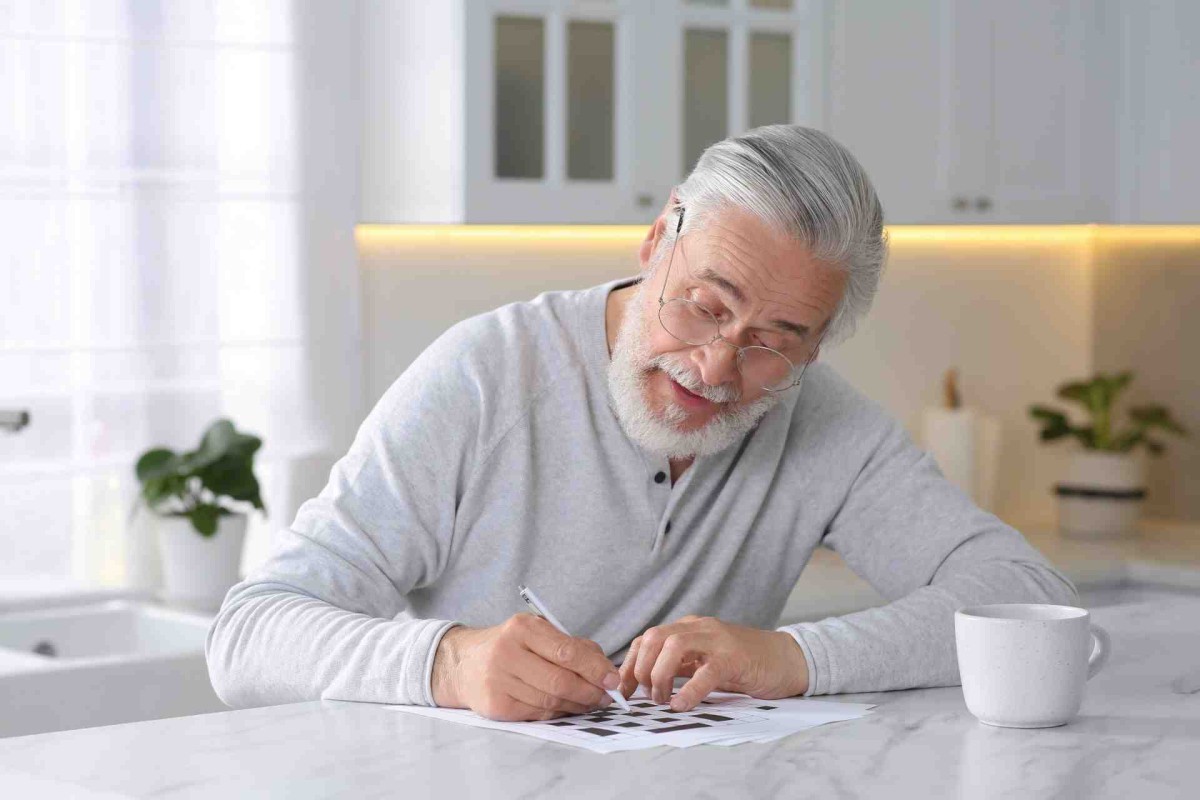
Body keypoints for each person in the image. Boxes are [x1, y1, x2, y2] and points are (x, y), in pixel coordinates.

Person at [206, 125, 1078, 721]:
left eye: (777, 341)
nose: (717, 368)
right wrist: (449, 665)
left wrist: (793, 660)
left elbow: (1029, 598)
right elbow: (247, 636)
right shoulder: (483, 376)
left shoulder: (824, 426)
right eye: (704, 306)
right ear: (659, 235)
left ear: (819, 344)